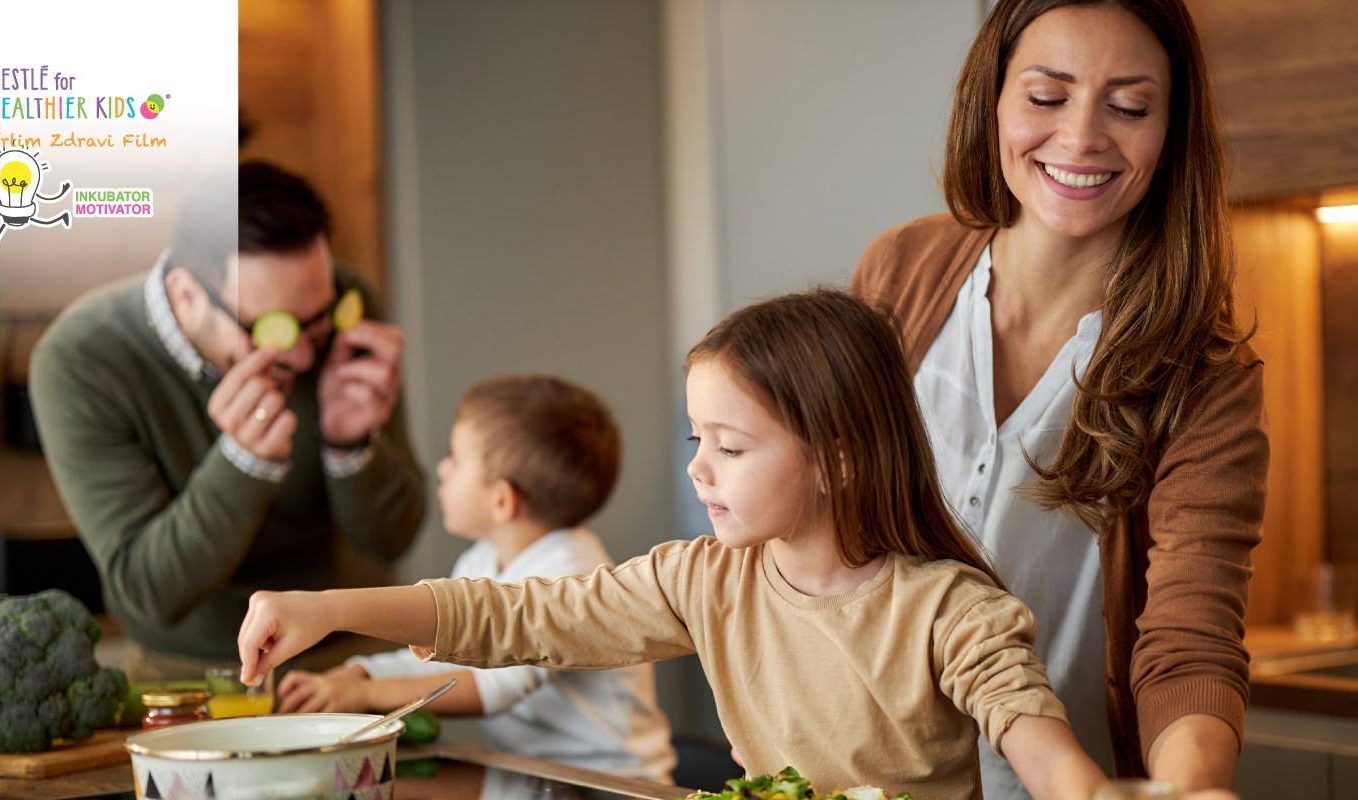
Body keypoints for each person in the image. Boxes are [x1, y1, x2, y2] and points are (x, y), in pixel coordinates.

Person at [238, 289, 1110, 800]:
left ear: (838, 461)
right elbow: (514, 616)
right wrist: (327, 609)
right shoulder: (702, 580)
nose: (699, 471)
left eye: (730, 448)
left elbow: (1037, 739)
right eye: (698, 441)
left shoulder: (949, 610)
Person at [848, 1, 1266, 798]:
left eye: (1130, 106)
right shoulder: (901, 270)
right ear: (993, 101)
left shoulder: (1205, 373)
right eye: (1046, 96)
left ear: (1172, 129)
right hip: (861, 776)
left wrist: (1189, 788)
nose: (1080, 139)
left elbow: (1189, 638)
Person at [29, 161, 427, 680]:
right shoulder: (80, 358)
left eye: (319, 322)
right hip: (195, 674)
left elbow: (393, 539)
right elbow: (150, 592)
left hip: (350, 660)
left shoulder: (339, 305)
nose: (307, 356)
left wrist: (351, 446)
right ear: (188, 296)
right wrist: (243, 462)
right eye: (274, 328)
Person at [276, 374, 677, 783]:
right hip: (533, 777)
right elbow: (444, 650)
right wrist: (362, 673)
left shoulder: (572, 573)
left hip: (610, 783)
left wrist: (364, 695)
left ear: (502, 500)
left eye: (456, 458)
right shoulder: (482, 559)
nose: (442, 468)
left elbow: (496, 688)